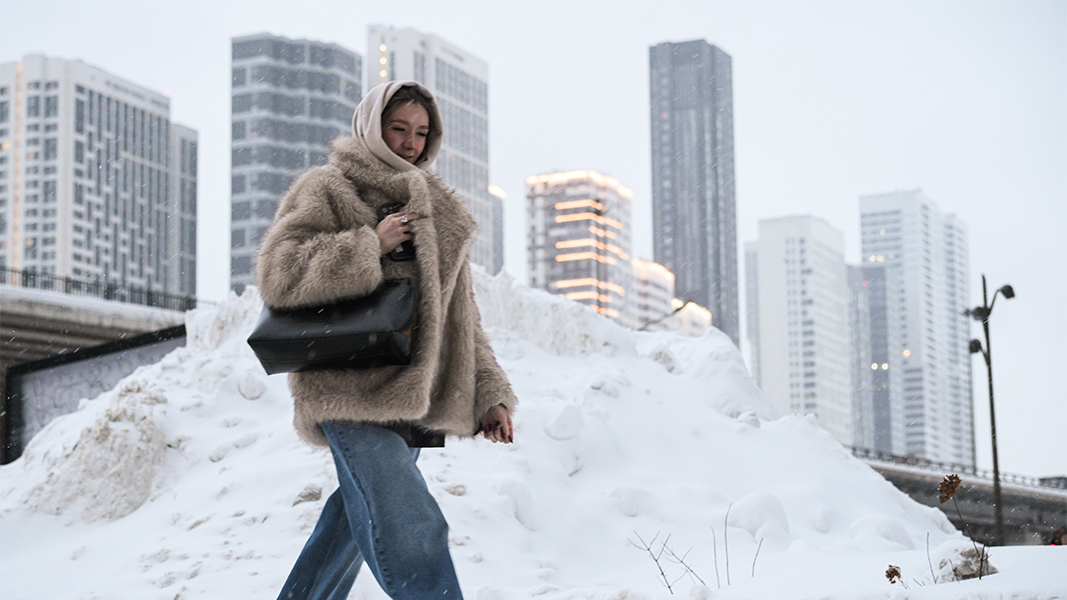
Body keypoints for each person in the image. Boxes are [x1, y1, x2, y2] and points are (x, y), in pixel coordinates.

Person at [255, 81, 517, 600]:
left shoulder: (436, 208)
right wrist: (368, 245)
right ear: (371, 126)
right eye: (398, 128)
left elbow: (460, 318)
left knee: (348, 530)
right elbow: (278, 273)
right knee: (409, 525)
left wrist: (491, 394)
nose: (410, 143)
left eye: (421, 133)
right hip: (347, 388)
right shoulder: (328, 188)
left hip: (410, 398)